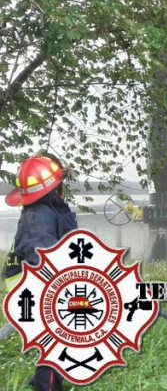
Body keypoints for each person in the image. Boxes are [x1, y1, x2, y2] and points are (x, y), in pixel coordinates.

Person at [3, 153, 78, 391]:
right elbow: (41, 259)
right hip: (34, 289)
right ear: (57, 187)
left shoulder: (47, 211)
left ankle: (42, 381)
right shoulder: (40, 217)